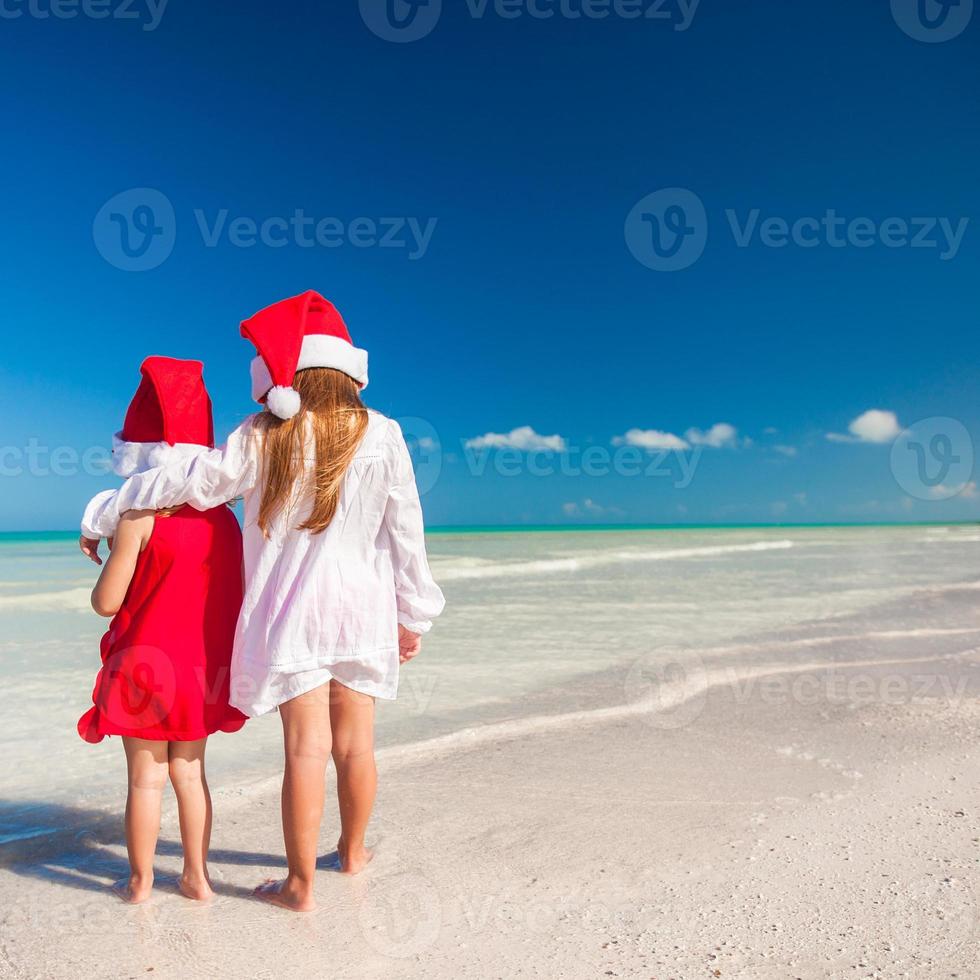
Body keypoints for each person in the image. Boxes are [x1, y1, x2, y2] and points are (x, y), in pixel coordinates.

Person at [80, 291, 445, 911]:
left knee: (305, 749)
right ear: (345, 368)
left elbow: (192, 482)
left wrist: (107, 511)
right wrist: (414, 613)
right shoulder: (383, 433)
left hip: (293, 616)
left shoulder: (263, 432)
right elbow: (406, 533)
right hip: (363, 609)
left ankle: (299, 884)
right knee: (357, 744)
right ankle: (352, 854)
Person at [79, 356, 246, 904]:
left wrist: (107, 552)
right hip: (199, 669)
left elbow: (107, 603)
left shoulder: (137, 519)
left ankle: (140, 881)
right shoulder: (225, 520)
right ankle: (197, 877)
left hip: (144, 669)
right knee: (190, 775)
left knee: (144, 781)